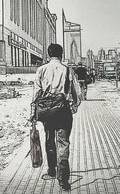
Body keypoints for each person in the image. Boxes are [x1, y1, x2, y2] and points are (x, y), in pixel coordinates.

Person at [30, 43, 80, 191]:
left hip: (46, 111)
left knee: (49, 139)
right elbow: (75, 92)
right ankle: (63, 179)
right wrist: (75, 105)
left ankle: (52, 169)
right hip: (63, 111)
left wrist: (33, 113)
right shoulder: (67, 70)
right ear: (61, 54)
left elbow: (36, 93)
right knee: (63, 143)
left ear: (48, 54)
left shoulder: (41, 70)